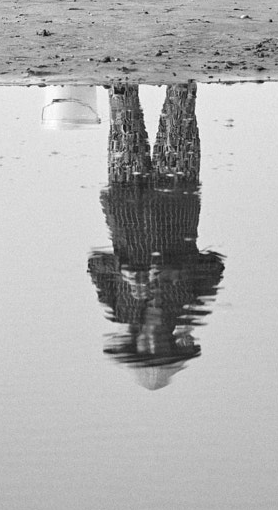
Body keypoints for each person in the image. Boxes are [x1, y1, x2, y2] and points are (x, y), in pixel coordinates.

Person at [87, 83, 225, 391]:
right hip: (179, 189)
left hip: (124, 197)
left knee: (121, 96)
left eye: (144, 350)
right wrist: (179, 269)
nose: (151, 343)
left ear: (134, 344)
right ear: (172, 344)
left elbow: (96, 264)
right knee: (181, 98)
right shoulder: (190, 307)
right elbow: (216, 265)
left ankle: (119, 46)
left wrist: (122, 269)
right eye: (159, 350)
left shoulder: (120, 310)